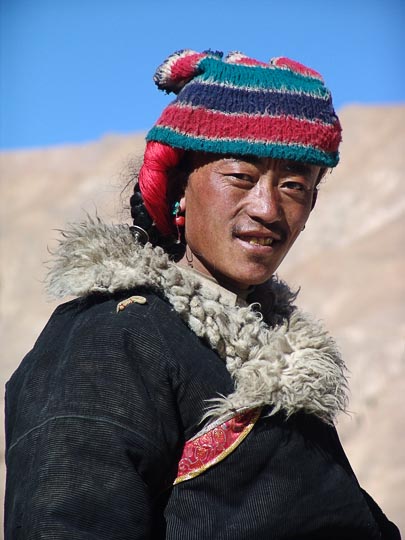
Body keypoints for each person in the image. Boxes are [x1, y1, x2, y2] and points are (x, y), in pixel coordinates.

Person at [4, 50, 400, 539]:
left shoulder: (271, 371)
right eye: (241, 177)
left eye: (294, 186)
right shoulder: (112, 337)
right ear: (179, 186)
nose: (268, 209)